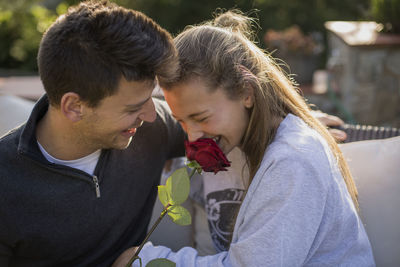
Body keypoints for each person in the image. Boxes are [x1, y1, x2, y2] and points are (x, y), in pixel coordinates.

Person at [116, 11, 375, 266]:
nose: (193, 136)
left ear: (246, 92)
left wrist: (149, 260)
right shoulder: (230, 143)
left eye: (201, 117)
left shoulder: (292, 161)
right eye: (181, 121)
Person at [0, 1, 186, 266]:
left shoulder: (152, 129)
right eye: (133, 107)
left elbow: (233, 127)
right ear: (74, 107)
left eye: (150, 99)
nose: (151, 115)